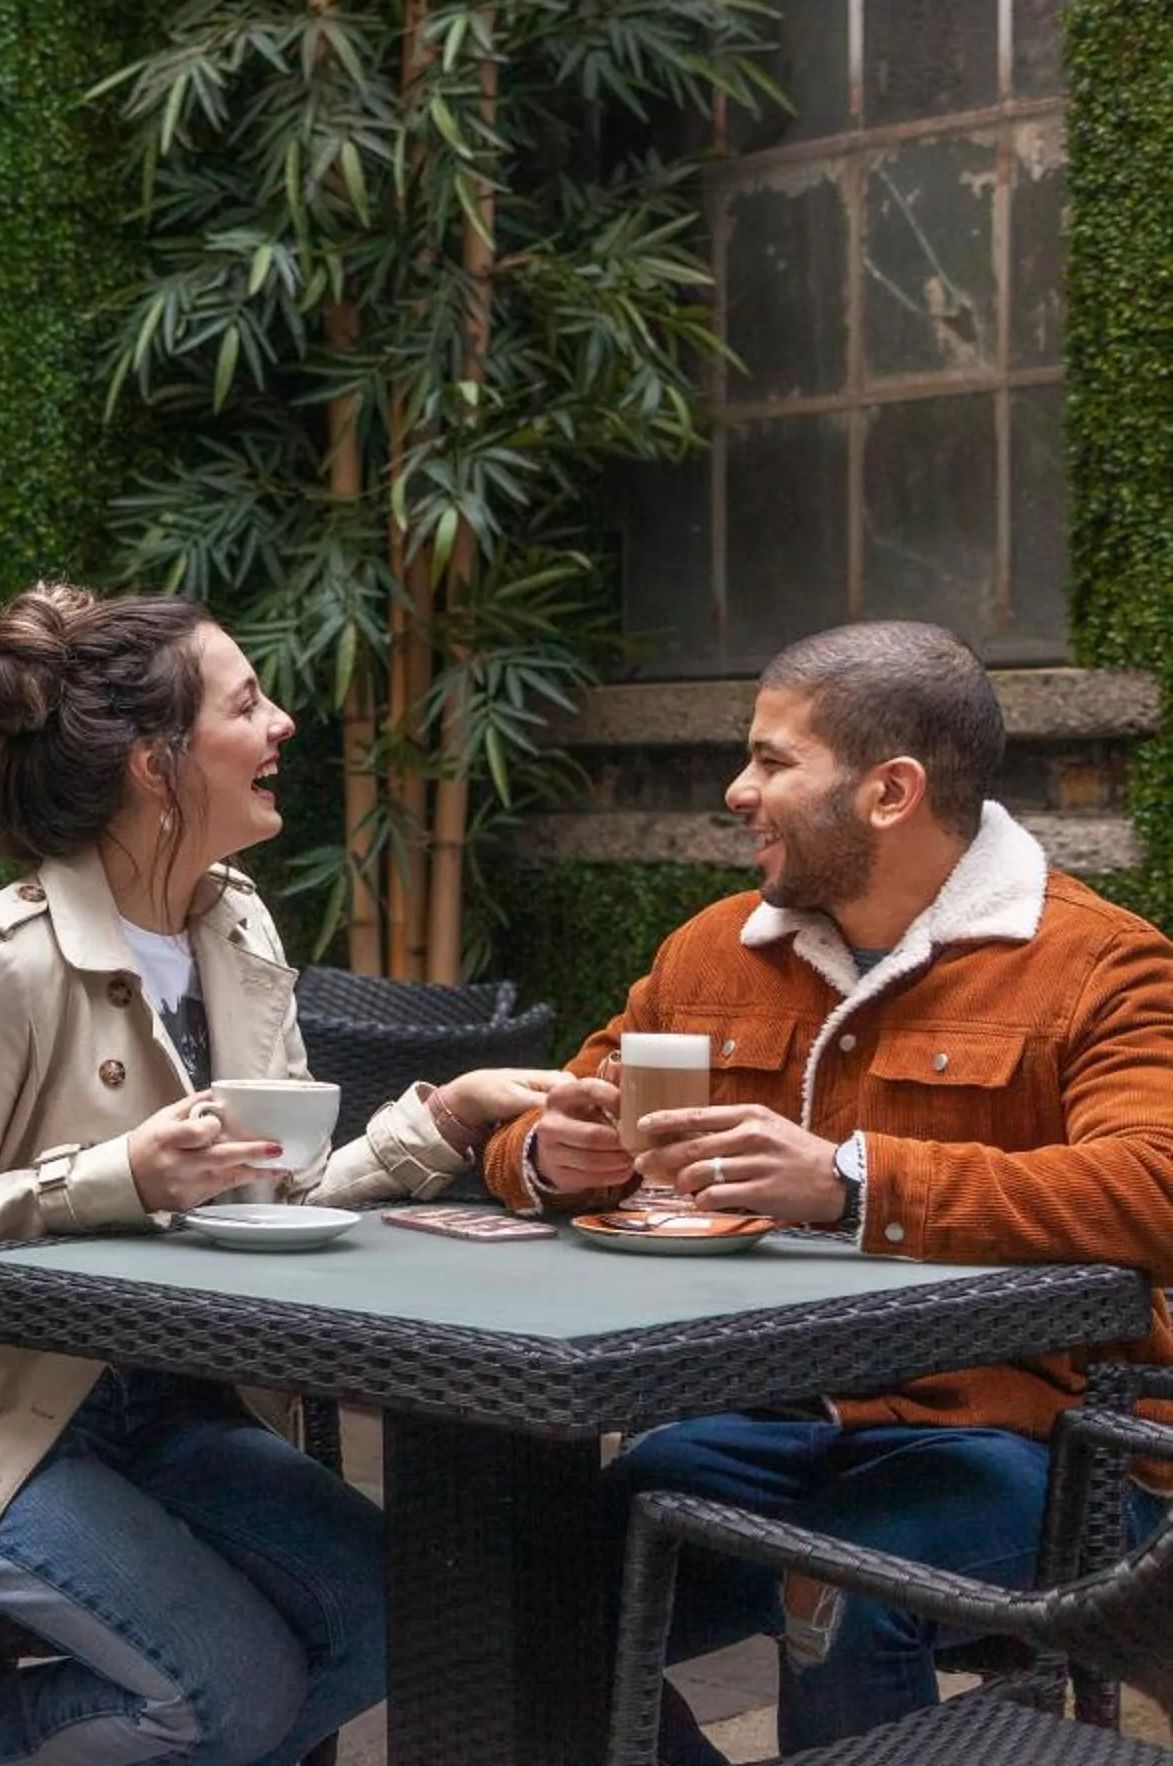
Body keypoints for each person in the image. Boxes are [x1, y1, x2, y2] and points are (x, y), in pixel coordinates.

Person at [0, 583, 557, 1766]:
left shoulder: (238, 928)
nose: (283, 723)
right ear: (152, 763)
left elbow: (273, 1201)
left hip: (170, 1400)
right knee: (231, 1693)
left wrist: (446, 1116)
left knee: (396, 1617)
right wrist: (117, 1171)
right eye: (249, 701)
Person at [474, 619, 1173, 1763]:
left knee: (834, 1590)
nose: (738, 790)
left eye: (773, 759)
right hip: (775, 1408)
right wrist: (553, 1157)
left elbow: (1157, 1186)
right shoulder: (712, 951)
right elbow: (530, 1120)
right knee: (536, 1585)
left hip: (1036, 1434)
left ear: (890, 790)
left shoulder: (1097, 962)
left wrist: (855, 1181)